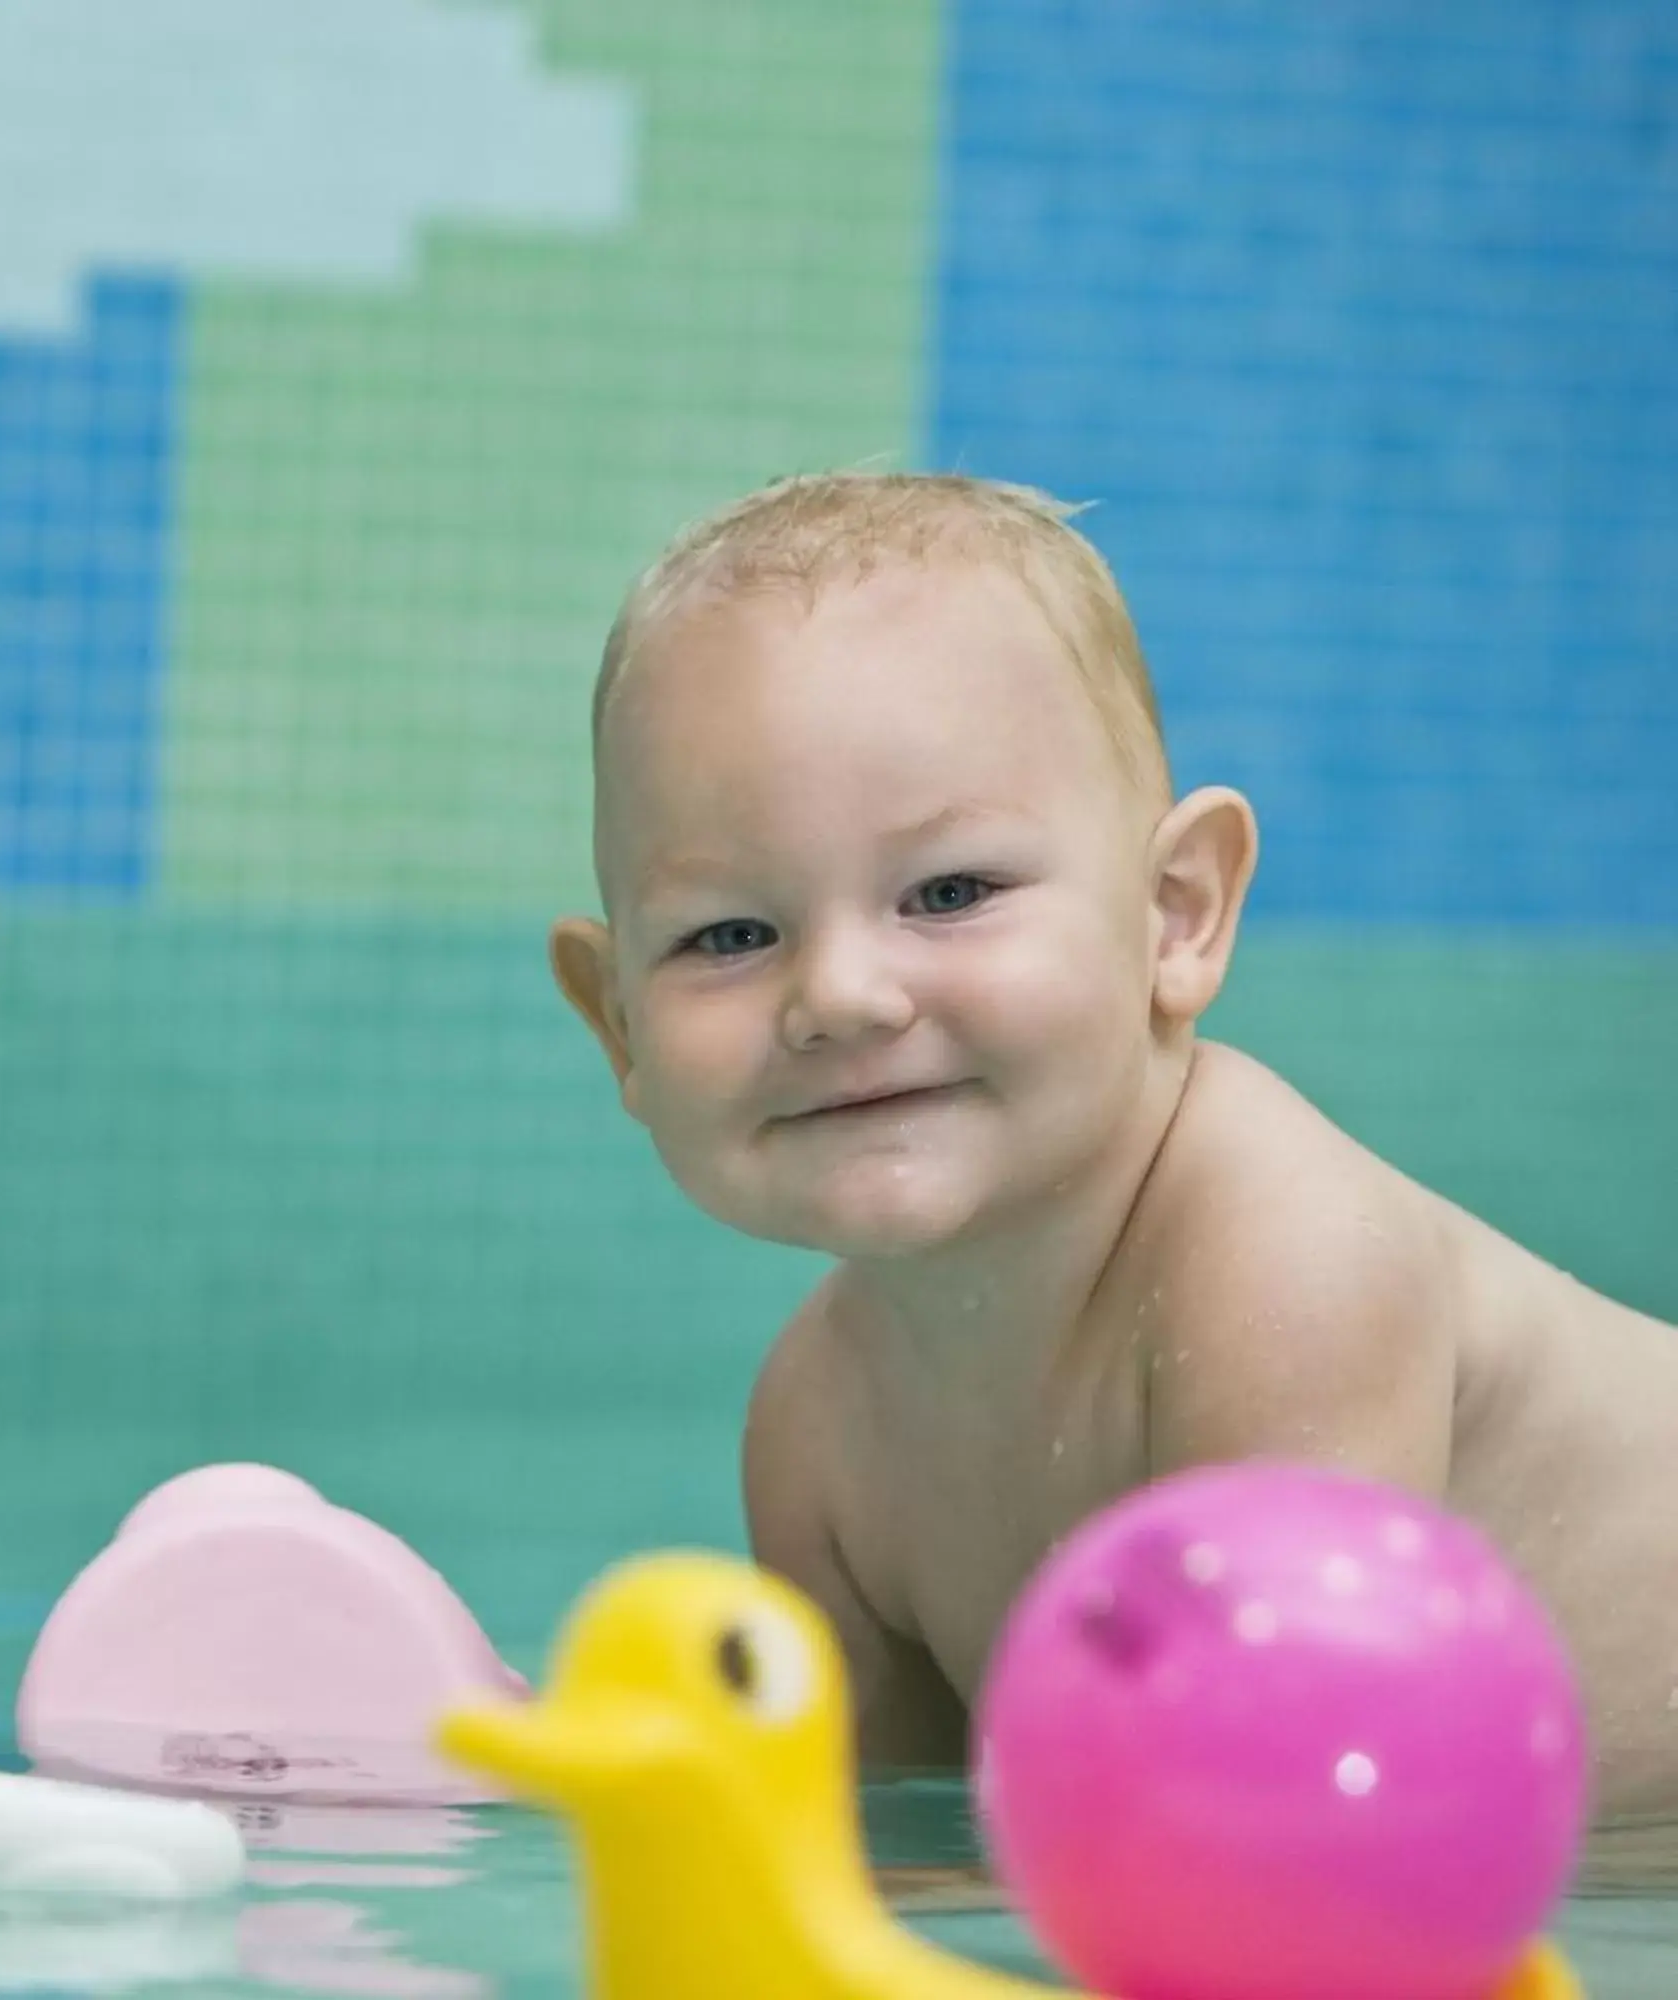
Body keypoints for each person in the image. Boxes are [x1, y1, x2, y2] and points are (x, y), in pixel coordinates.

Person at [547, 470, 1678, 1816]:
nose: (840, 995)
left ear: (1178, 915)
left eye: (951, 892)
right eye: (731, 934)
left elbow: (1289, 1805)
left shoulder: (1279, 1259)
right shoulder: (814, 1435)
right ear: (617, 1027)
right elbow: (891, 1855)